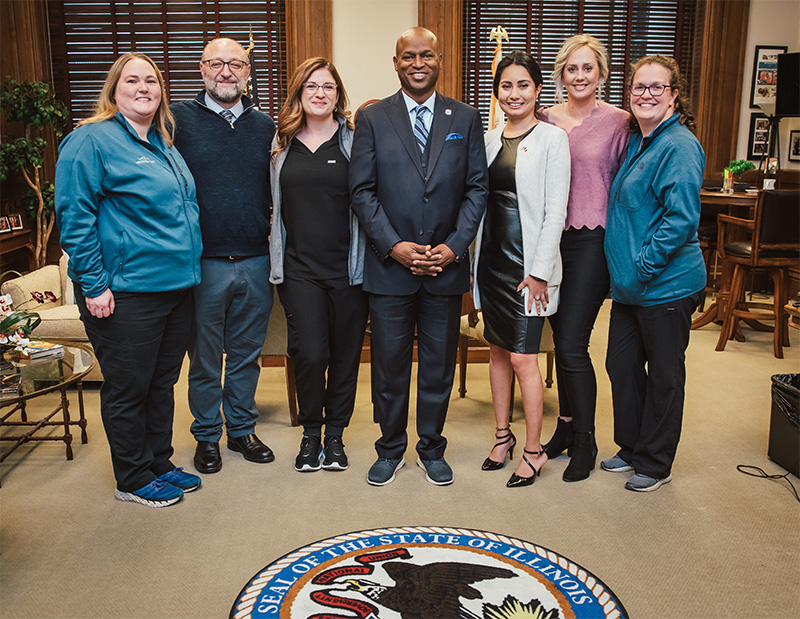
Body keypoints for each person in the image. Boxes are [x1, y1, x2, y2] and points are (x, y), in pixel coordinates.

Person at [55, 53, 203, 507]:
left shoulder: (162, 141)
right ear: (114, 89)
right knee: (129, 385)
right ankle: (132, 477)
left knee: (161, 383)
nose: (144, 87)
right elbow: (75, 218)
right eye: (132, 80)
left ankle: (158, 460)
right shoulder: (91, 141)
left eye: (151, 80)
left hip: (175, 288)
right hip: (126, 291)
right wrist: (95, 285)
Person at [350, 27, 488, 487]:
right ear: (395, 62)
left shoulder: (465, 119)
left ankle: (431, 447)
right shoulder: (372, 119)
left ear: (440, 59)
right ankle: (389, 449)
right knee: (388, 365)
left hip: (445, 269)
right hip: (390, 268)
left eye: (426, 55)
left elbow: (476, 189)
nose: (417, 63)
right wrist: (394, 246)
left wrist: (453, 248)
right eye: (408, 56)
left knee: (437, 365)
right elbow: (362, 191)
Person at [171, 38, 276, 474]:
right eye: (217, 63)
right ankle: (207, 436)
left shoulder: (266, 126)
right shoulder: (176, 121)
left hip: (255, 258)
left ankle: (242, 430)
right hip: (204, 264)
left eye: (236, 64)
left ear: (248, 71)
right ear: (202, 69)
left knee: (247, 355)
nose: (226, 72)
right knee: (205, 359)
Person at [602, 55, 705, 492]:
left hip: (666, 285)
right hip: (631, 289)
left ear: (673, 95)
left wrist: (642, 265)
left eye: (656, 87)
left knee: (664, 375)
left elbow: (680, 219)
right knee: (621, 365)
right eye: (639, 87)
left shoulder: (679, 145)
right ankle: (632, 445)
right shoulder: (639, 141)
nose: (646, 94)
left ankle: (655, 462)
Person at [473, 51, 570, 488]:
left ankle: (534, 450)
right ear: (498, 91)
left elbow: (555, 212)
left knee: (523, 358)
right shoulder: (489, 139)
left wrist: (540, 272)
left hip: (528, 268)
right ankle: (502, 438)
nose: (514, 93)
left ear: (537, 90)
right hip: (491, 262)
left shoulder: (553, 139)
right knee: (495, 351)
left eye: (523, 85)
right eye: (506, 85)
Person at [538, 35, 630, 482]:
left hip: (594, 241)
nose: (579, 76)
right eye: (571, 69)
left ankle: (587, 440)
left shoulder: (620, 122)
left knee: (573, 342)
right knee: (561, 341)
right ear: (561, 75)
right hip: (549, 243)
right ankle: (566, 428)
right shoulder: (543, 118)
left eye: (587, 68)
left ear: (601, 74)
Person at [270, 57, 368, 472]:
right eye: (311, 86)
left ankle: (335, 436)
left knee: (345, 355)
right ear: (299, 93)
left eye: (327, 87)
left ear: (338, 95)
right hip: (298, 270)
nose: (319, 93)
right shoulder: (279, 145)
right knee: (310, 352)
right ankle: (312, 433)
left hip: (348, 270)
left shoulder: (354, 142)